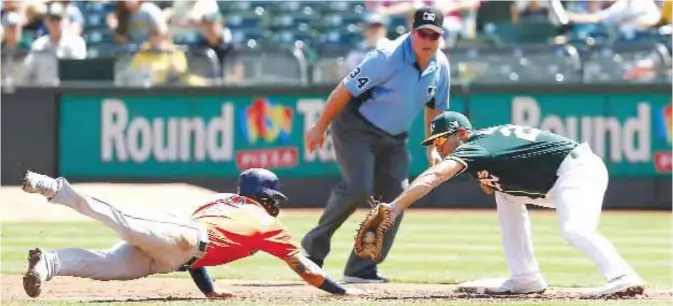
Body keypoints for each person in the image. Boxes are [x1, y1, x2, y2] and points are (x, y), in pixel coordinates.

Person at [369, 111, 645, 298]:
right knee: (506, 193)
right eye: (435, 143)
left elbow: (436, 176)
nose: (440, 147)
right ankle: (525, 277)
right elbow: (490, 182)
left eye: (442, 140)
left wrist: (395, 206)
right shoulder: (484, 143)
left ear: (462, 133)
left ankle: (622, 276)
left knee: (575, 229)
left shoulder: (479, 145)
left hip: (577, 170)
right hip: (557, 177)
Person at [19, 168, 364, 299]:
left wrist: (209, 293)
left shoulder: (218, 203)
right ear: (265, 198)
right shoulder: (269, 224)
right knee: (121, 221)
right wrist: (342, 293)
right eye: (273, 198)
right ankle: (55, 187)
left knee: (108, 265)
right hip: (183, 240)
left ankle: (47, 264)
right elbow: (307, 270)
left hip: (177, 254)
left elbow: (199, 256)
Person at [301, 6, 451, 283]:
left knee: (397, 197)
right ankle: (312, 251)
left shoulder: (440, 64)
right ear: (412, 31)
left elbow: (435, 108)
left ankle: (362, 268)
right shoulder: (386, 57)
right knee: (358, 188)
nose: (428, 40)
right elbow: (343, 91)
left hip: (394, 139)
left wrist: (432, 146)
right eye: (423, 33)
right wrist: (319, 127)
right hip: (356, 127)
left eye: (435, 35)